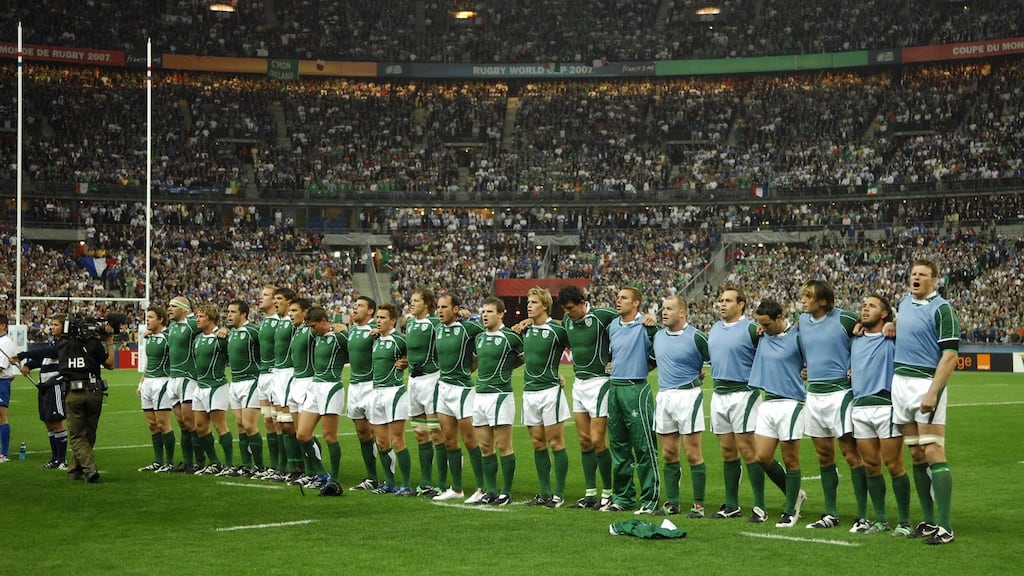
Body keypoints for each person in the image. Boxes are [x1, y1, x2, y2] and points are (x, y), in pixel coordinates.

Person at [892, 258, 960, 545]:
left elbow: (950, 356)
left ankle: (945, 526)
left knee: (933, 452)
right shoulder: (904, 303)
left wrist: (933, 391)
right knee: (916, 455)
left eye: (922, 274)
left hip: (924, 383)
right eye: (913, 274)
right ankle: (929, 521)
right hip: (900, 382)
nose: (915, 277)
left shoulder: (943, 309)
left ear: (934, 280)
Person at [707, 286, 786, 523]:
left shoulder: (753, 329)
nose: (722, 304)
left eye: (728, 300)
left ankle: (760, 506)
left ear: (741, 304)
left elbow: (777, 346)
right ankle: (731, 504)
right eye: (720, 300)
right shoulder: (714, 329)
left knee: (749, 451)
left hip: (743, 393)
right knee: (727, 452)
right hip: (719, 393)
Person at [797, 280, 867, 530]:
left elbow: (871, 330)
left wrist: (855, 367)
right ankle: (831, 513)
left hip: (839, 393)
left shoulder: (845, 319)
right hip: (813, 394)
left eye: (808, 296)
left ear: (824, 301)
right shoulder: (802, 321)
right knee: (824, 456)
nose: (803, 300)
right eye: (802, 296)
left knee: (851, 454)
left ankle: (862, 515)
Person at [850, 294, 912, 536]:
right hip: (860, 407)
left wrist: (894, 324)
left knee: (894, 465)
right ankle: (881, 519)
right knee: (871, 466)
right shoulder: (854, 339)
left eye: (872, 306)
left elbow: (911, 325)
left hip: (886, 406)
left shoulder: (893, 337)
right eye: (863, 306)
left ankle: (905, 522)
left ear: (884, 314)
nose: (865, 309)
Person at [556, 285, 616, 509]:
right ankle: (590, 493)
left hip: (599, 382)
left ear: (582, 303)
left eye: (571, 308)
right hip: (579, 383)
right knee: (584, 441)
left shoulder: (602, 316)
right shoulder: (567, 320)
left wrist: (646, 317)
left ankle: (608, 492)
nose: (568, 312)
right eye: (565, 309)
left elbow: (628, 326)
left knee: (598, 440)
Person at [750, 299, 808, 528]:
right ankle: (796, 494)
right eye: (759, 324)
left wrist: (807, 370)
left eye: (766, 324)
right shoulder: (762, 337)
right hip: (768, 402)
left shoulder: (797, 338)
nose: (762, 328)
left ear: (779, 318)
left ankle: (790, 510)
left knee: (790, 458)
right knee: (762, 457)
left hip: (791, 402)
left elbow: (812, 361)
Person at [603, 287, 660, 514]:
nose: (618, 301)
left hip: (636, 388)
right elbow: (611, 355)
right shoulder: (613, 326)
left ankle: (650, 499)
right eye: (617, 297)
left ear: (636, 303)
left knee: (644, 447)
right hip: (614, 388)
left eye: (623, 298)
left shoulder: (647, 327)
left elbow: (658, 355)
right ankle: (623, 497)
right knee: (618, 446)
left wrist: (639, 369)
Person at [652, 295, 710, 517]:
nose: (664, 312)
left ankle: (698, 504)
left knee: (693, 453)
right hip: (664, 396)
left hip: (688, 396)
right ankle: (673, 503)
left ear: (683, 313)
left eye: (669, 309)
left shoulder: (697, 337)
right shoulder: (657, 336)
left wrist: (699, 374)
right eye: (663, 308)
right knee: (668, 453)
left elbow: (717, 359)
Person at [432, 292, 486, 502]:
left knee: (470, 439)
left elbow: (490, 331)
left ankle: (482, 487)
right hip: (443, 388)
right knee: (449, 440)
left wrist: (469, 316)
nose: (439, 311)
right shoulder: (437, 329)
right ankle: (456, 488)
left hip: (462, 389)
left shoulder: (467, 328)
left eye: (444, 307)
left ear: (455, 310)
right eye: (438, 307)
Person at [520, 287, 571, 508]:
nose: (528, 305)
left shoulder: (558, 330)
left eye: (533, 302)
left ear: (545, 306)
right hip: (529, 392)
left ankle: (558, 493)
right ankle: (544, 492)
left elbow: (580, 344)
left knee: (556, 443)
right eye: (528, 302)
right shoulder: (524, 329)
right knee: (538, 443)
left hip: (550, 392)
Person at [472, 297, 524, 506]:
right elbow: (476, 362)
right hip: (480, 395)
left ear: (501, 314)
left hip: (501, 395)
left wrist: (505, 371)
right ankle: (491, 490)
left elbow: (523, 358)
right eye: (483, 311)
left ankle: (506, 491)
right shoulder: (479, 338)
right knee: (485, 446)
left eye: (490, 311)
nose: (485, 315)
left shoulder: (511, 337)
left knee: (504, 445)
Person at [58, 315, 116, 482]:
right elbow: (110, 364)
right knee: (89, 434)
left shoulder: (62, 345)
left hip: (74, 393)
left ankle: (89, 470)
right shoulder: (94, 344)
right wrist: (109, 340)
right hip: (94, 392)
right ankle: (75, 471)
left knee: (77, 436)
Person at [403, 288, 448, 497]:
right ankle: (426, 483)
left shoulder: (434, 323)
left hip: (431, 380)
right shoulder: (410, 324)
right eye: (411, 300)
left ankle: (441, 483)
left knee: (437, 434)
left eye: (416, 301)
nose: (411, 303)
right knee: (421, 434)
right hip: (413, 382)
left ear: (427, 304)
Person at [300, 306, 348, 487]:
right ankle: (321, 473)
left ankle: (334, 479)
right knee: (302, 434)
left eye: (314, 326)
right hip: (315, 386)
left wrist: (343, 328)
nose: (311, 330)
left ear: (323, 321)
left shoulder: (340, 337)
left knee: (329, 436)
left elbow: (358, 352)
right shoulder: (316, 336)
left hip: (331, 387)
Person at [370, 303, 412, 494]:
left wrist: (407, 361)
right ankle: (389, 482)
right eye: (377, 317)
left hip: (394, 392)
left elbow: (418, 355)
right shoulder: (376, 339)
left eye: (383, 317)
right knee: (381, 442)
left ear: (392, 320)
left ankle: (406, 484)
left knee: (397, 440)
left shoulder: (400, 340)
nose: (378, 320)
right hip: (376, 392)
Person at [17, 314, 69, 469]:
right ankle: (54, 458)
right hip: (44, 386)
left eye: (56, 325)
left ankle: (62, 459)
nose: (52, 327)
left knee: (56, 421)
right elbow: (44, 359)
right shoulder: (54, 342)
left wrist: (23, 355)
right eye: (52, 324)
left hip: (55, 386)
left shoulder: (65, 343)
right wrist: (29, 365)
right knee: (48, 422)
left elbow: (50, 352)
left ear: (64, 327)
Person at [221, 299, 262, 476]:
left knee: (249, 425)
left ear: (243, 314)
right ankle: (246, 465)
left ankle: (260, 467)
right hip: (235, 382)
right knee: (240, 425)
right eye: (228, 312)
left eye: (233, 312)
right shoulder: (230, 333)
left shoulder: (253, 331)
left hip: (251, 381)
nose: (229, 315)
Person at [344, 296, 381, 491]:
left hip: (372, 385)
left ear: (370, 312)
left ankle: (388, 480)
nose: (355, 308)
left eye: (360, 306)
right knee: (362, 433)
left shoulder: (376, 330)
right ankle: (372, 477)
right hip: (354, 386)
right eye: (355, 305)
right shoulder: (351, 330)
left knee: (380, 434)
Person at [191, 303, 231, 474]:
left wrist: (226, 329)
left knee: (219, 425)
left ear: (210, 319)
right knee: (200, 426)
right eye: (196, 316)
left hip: (216, 386)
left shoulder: (220, 337)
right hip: (200, 387)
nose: (197, 319)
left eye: (201, 316)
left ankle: (229, 464)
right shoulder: (198, 338)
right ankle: (214, 462)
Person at [136, 305, 174, 472]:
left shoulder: (169, 336)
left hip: (163, 381)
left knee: (163, 423)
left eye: (151, 317)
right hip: (148, 383)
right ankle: (158, 461)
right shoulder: (149, 337)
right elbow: (149, 363)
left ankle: (169, 462)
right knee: (152, 424)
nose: (147, 320)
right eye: (147, 317)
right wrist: (141, 382)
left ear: (161, 319)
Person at [166, 296, 200, 472]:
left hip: (188, 378)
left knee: (189, 421)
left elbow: (210, 326)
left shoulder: (192, 323)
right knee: (181, 422)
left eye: (173, 306)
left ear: (184, 309)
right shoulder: (172, 327)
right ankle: (187, 461)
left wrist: (222, 329)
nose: (169, 308)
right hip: (174, 379)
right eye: (168, 306)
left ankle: (199, 461)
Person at [285, 297, 315, 483]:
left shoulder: (310, 331)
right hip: (295, 382)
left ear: (305, 313)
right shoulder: (296, 331)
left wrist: (339, 327)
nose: (290, 314)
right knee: (299, 433)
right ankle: (307, 470)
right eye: (290, 311)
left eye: (294, 310)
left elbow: (330, 330)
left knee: (305, 433)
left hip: (308, 383)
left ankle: (316, 472)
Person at [255, 285, 281, 477]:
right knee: (268, 421)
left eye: (264, 295)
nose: (260, 298)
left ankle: (286, 466)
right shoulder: (263, 323)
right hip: (263, 376)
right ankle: (275, 466)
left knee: (280, 422)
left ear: (274, 300)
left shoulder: (281, 322)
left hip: (276, 376)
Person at [0, 315, 21, 462]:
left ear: (3, 325)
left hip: (1, 382)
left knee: (2, 417)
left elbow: (1, 367)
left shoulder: (5, 342)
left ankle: (4, 453)